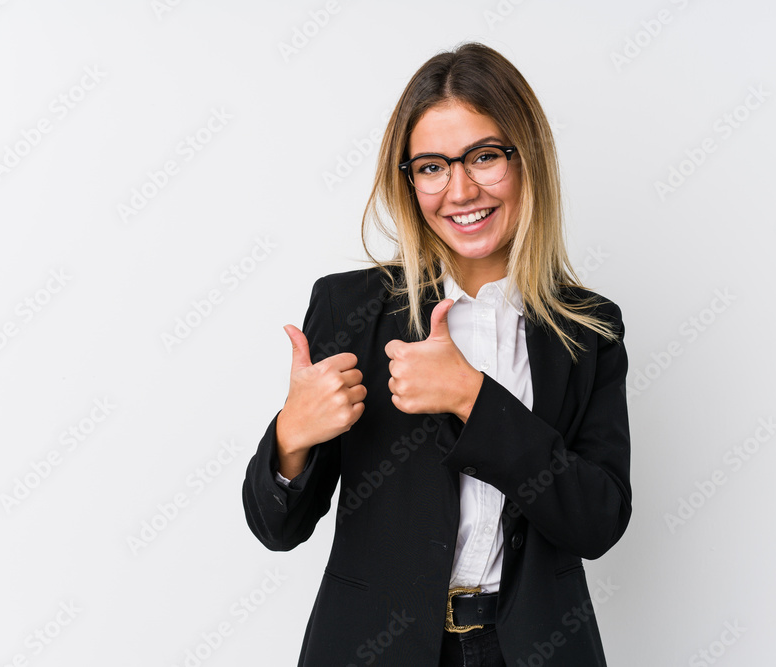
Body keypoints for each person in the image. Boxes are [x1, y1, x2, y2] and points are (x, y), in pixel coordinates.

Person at [242, 41, 631, 666]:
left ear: (526, 159)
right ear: (409, 180)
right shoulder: (352, 309)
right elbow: (276, 528)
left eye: (483, 156)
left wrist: (473, 400)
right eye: (431, 166)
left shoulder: (588, 328)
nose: (459, 190)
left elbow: (598, 521)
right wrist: (292, 437)